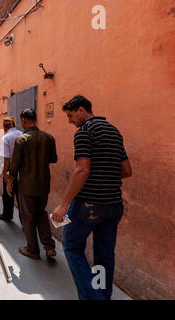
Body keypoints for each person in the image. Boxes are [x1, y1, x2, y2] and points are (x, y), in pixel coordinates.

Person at [52, 95, 132, 300]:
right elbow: (126, 170)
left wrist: (64, 204)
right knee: (104, 254)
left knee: (71, 246)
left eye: (70, 116)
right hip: (114, 204)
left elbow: (82, 170)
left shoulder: (84, 132)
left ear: (81, 110)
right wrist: (104, 174)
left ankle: (93, 297)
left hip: (89, 205)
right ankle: (103, 294)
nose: (70, 121)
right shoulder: (114, 131)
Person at [7, 109, 58, 260]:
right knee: (41, 213)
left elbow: (14, 164)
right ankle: (49, 247)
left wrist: (9, 182)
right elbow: (53, 159)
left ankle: (32, 249)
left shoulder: (22, 140)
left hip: (27, 186)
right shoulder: (49, 138)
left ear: (23, 120)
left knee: (28, 217)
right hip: (43, 185)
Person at [0, 117, 22, 221]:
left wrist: (5, 174)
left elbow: (6, 158)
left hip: (11, 169)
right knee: (21, 196)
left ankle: (7, 215)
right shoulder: (21, 134)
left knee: (8, 194)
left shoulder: (6, 137)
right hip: (22, 171)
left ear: (4, 126)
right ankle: (24, 220)